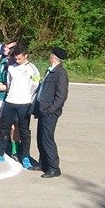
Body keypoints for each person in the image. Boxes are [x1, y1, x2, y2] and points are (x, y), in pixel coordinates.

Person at [0, 46, 40, 168]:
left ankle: (25, 156)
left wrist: (27, 97)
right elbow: (9, 83)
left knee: (24, 131)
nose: (17, 60)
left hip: (24, 103)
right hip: (10, 101)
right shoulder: (11, 67)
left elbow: (35, 85)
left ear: (26, 56)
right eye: (16, 58)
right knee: (4, 128)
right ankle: (0, 153)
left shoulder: (32, 69)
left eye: (20, 58)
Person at [32, 47, 69, 178]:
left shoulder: (60, 73)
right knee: (40, 137)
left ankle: (54, 167)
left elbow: (61, 96)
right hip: (43, 109)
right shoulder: (51, 70)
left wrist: (50, 110)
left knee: (47, 139)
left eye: (50, 54)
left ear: (53, 56)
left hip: (50, 112)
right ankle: (43, 163)